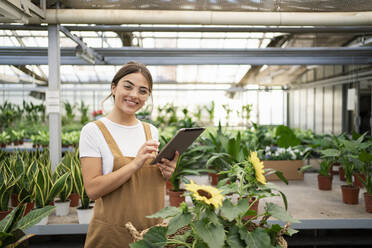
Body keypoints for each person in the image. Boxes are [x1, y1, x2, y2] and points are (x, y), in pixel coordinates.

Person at [79, 61, 178, 248]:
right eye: (128, 86)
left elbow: (146, 185)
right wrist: (134, 164)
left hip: (151, 235)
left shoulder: (151, 131)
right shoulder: (93, 131)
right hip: (112, 235)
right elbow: (92, 190)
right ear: (114, 87)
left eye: (143, 91)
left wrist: (167, 173)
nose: (134, 95)